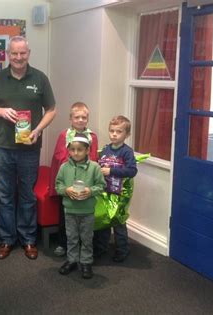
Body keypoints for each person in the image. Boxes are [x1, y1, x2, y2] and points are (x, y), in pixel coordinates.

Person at [0, 35, 56, 260]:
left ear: (28, 53)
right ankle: (6, 239)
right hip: (3, 147)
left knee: (27, 195)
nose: (18, 57)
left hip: (29, 148)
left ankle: (28, 239)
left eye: (22, 53)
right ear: (8, 54)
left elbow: (51, 109)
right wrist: (1, 111)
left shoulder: (40, 79)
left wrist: (38, 129)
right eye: (14, 53)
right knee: (4, 195)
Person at [49, 102, 99, 257]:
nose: (80, 120)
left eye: (84, 117)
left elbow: (94, 158)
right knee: (65, 216)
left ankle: (85, 247)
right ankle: (63, 243)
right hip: (68, 181)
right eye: (77, 117)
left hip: (86, 181)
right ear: (71, 118)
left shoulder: (92, 136)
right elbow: (58, 157)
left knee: (85, 217)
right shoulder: (65, 135)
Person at [55, 134, 106, 279]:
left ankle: (86, 262)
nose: (75, 153)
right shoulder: (64, 167)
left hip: (87, 211)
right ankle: (72, 260)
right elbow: (58, 185)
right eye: (72, 150)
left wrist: (90, 191)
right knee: (71, 237)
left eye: (79, 150)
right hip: (70, 211)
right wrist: (66, 190)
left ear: (87, 150)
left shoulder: (95, 167)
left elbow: (102, 186)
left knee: (87, 237)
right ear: (68, 150)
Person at [93, 115, 138, 262]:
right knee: (104, 220)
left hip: (120, 193)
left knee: (118, 222)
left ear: (127, 134)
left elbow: (132, 171)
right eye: (112, 131)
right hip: (105, 191)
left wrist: (111, 171)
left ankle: (122, 250)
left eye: (118, 132)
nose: (114, 134)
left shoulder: (127, 152)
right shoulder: (105, 149)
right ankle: (101, 248)